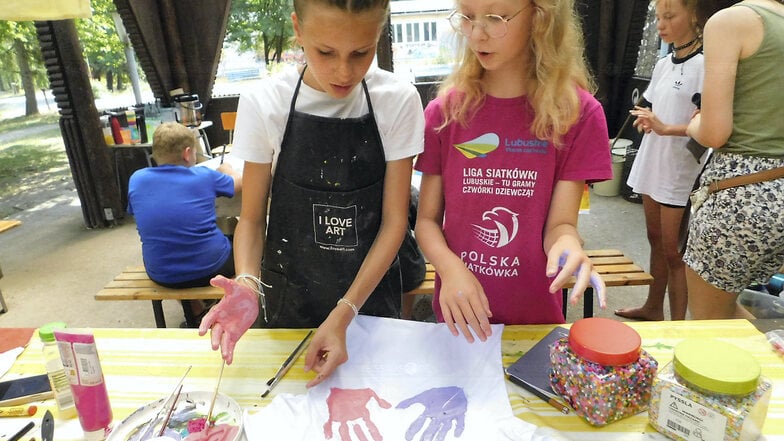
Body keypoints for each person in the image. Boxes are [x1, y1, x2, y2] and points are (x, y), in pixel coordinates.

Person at [198, 0, 425, 386]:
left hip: (368, 301)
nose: (344, 71)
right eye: (325, 52)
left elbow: (394, 223)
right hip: (290, 295)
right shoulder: (265, 101)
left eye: (361, 53)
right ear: (298, 30)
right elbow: (251, 219)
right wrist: (248, 283)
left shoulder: (398, 99)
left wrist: (344, 312)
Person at [414, 0, 611, 343]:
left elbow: (561, 225)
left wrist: (568, 247)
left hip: (534, 318)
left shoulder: (576, 114)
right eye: (468, 17)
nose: (477, 33)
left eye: (495, 18)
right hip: (460, 319)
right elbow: (427, 221)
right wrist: (450, 268)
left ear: (540, 18)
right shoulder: (445, 113)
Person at [684, 0, 784, 319]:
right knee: (727, 312)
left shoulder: (732, 21)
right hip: (777, 193)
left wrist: (693, 124)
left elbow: (714, 132)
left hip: (741, 194)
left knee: (710, 326)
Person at [614, 0, 709, 321]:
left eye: (669, 17)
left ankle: (678, 325)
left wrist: (667, 127)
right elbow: (654, 107)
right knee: (655, 240)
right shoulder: (664, 64)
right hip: (653, 159)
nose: (660, 25)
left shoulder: (707, 65)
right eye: (658, 18)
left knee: (674, 251)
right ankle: (654, 308)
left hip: (680, 168)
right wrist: (647, 119)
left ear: (694, 16)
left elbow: (711, 127)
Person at [127, 122, 242, 326]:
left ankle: (195, 312)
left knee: (172, 240)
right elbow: (238, 183)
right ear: (188, 153)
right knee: (239, 230)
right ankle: (226, 308)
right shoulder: (204, 176)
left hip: (162, 272)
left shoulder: (136, 179)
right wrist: (227, 168)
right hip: (212, 267)